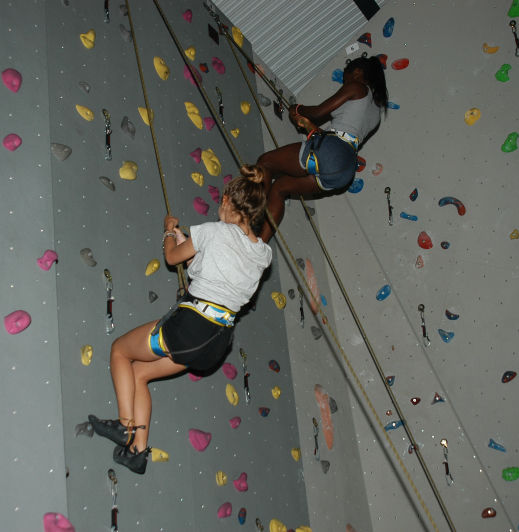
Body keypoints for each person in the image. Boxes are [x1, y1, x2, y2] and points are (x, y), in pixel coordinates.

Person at [89, 165, 272, 474]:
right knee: (139, 374)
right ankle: (137, 452)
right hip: (215, 343)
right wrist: (186, 239)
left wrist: (168, 231)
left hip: (192, 326)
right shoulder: (263, 254)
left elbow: (172, 257)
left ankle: (124, 425)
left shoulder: (214, 231)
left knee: (119, 350)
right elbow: (216, 267)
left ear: (226, 200)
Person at [256, 55, 388, 243]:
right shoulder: (376, 111)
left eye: (346, 77)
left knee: (265, 163)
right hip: (345, 171)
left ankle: (249, 217)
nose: (344, 82)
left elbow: (318, 112)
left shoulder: (357, 87)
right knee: (279, 188)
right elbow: (346, 136)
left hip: (331, 150)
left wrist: (297, 108)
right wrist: (308, 125)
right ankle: (258, 245)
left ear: (357, 72)